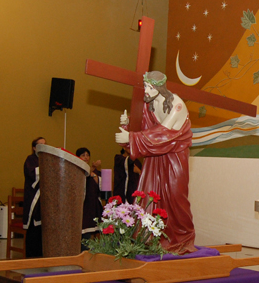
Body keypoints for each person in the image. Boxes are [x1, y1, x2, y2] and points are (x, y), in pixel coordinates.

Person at [115, 71, 196, 254]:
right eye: (145, 86)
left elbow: (163, 134)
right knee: (151, 194)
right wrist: (128, 125)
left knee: (176, 197)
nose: (146, 90)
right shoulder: (149, 105)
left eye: (150, 87)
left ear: (160, 87)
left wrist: (131, 137)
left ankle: (183, 238)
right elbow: (144, 129)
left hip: (175, 157)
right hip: (155, 158)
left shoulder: (177, 105)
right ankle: (152, 239)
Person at [23, 137, 45, 258]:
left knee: (43, 231)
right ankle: (31, 258)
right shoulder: (30, 159)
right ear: (34, 148)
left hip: (45, 201)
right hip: (34, 198)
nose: (43, 147)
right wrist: (46, 166)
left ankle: (42, 257)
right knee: (33, 231)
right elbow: (32, 175)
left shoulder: (46, 159)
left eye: (45, 144)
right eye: (40, 144)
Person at [76, 147, 103, 246]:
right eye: (83, 155)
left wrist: (95, 175)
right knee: (84, 231)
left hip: (93, 205)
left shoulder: (95, 172)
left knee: (93, 230)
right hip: (83, 205)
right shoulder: (77, 170)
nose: (86, 157)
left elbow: (101, 186)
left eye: (87, 155)